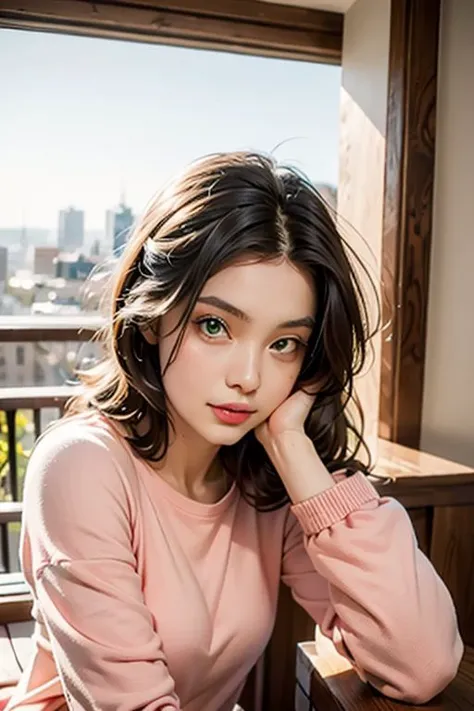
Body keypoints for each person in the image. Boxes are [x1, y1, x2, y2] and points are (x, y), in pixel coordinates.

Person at [5, 152, 462, 711]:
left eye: (283, 344)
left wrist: (294, 450)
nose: (248, 378)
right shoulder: (80, 467)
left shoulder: (264, 479)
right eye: (215, 325)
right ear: (152, 318)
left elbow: (422, 663)